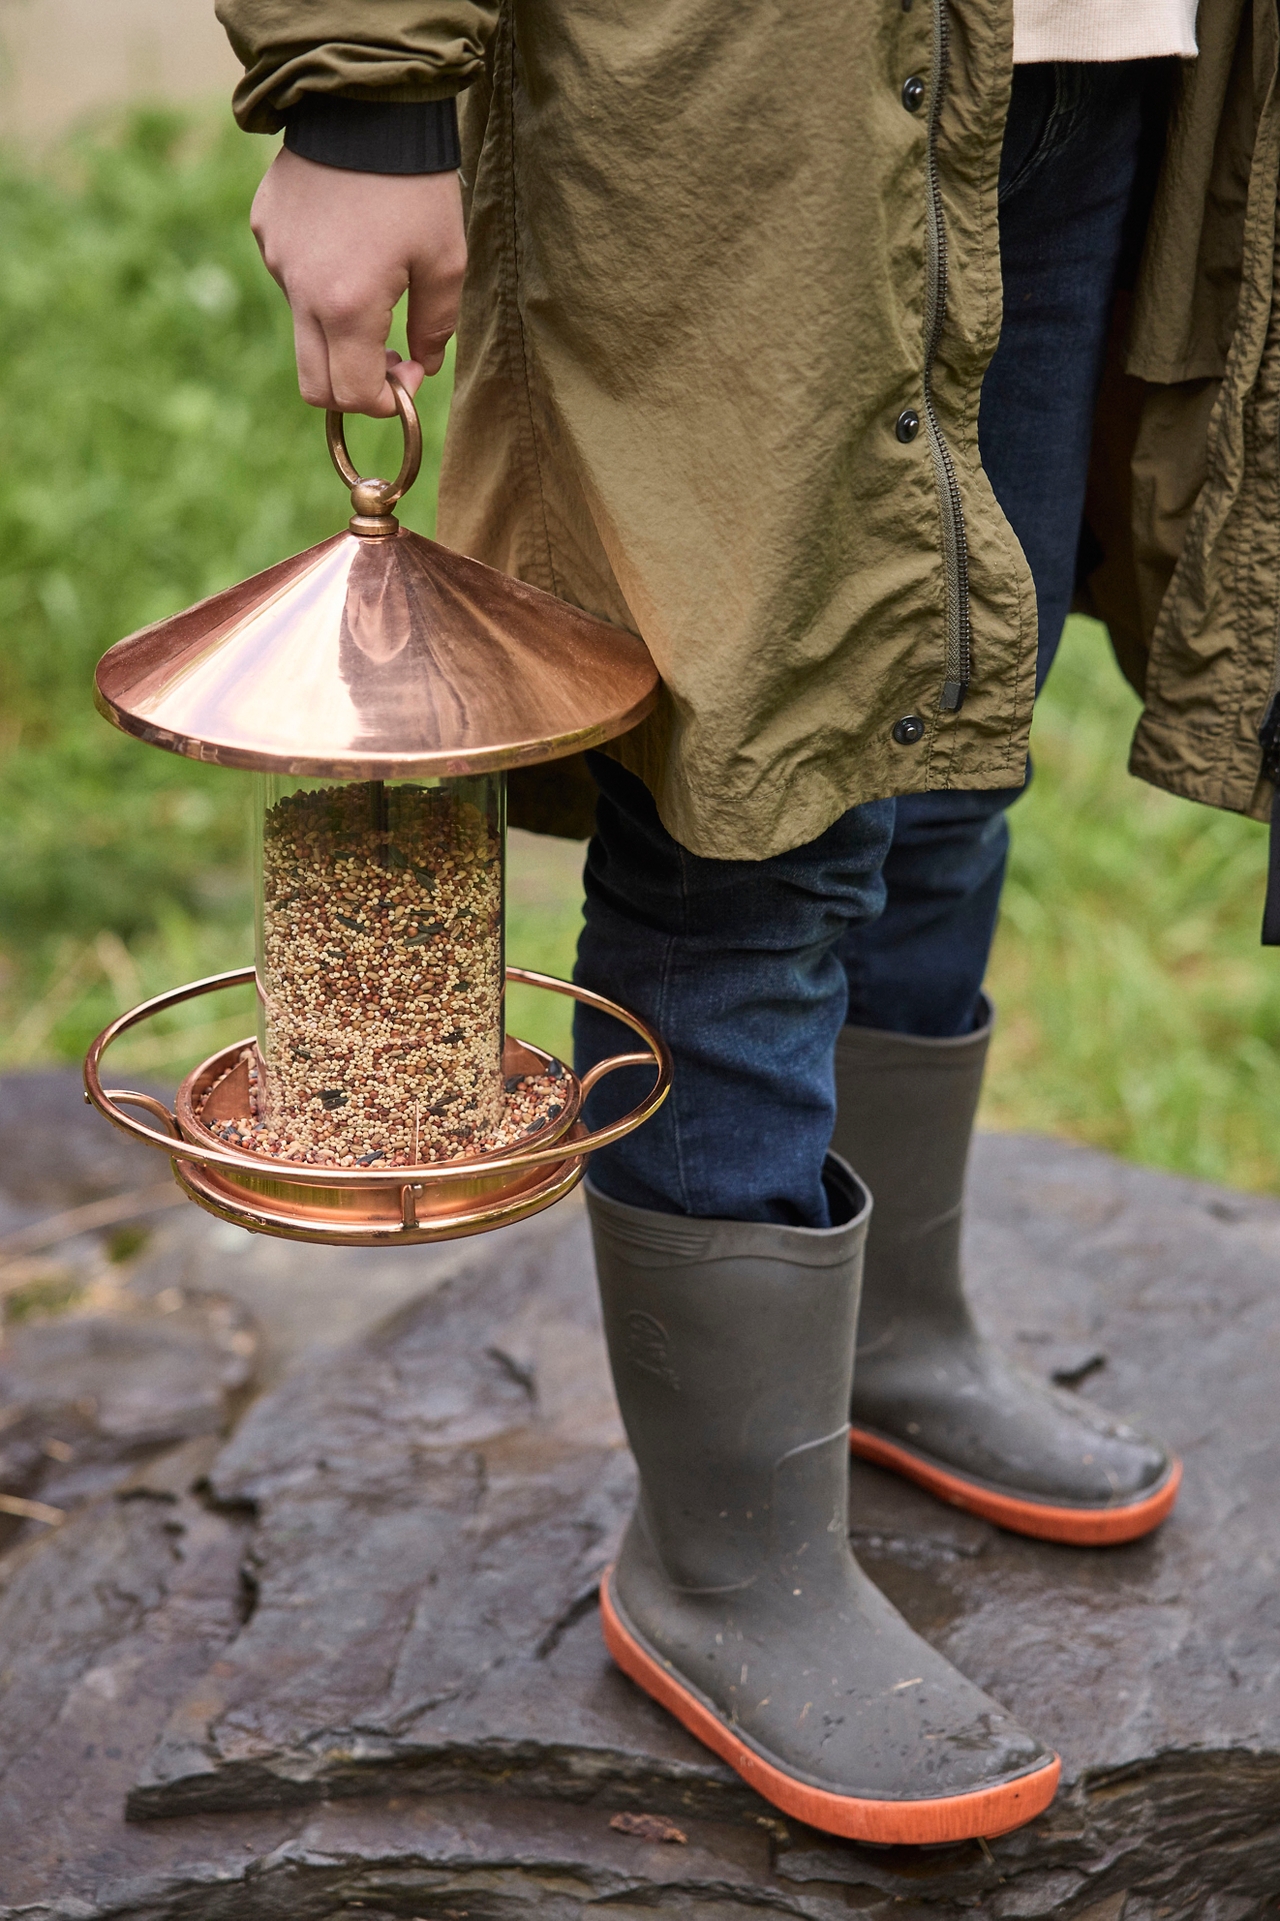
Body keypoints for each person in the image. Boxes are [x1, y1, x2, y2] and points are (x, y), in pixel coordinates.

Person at [218, 0, 1280, 1844]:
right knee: (756, 806)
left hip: (1099, 61)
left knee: (945, 744)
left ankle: (892, 1340)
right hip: (731, 111)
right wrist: (368, 85)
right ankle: (729, 1559)